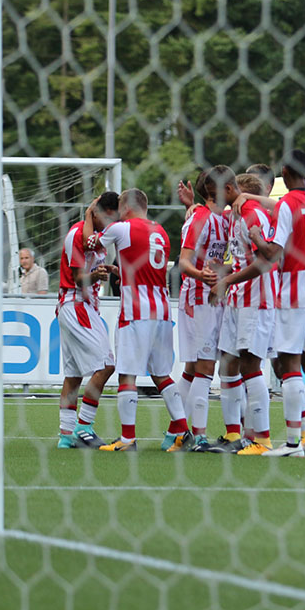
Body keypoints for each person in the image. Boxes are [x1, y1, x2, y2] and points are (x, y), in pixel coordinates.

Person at [216, 149, 305, 457]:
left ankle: (292, 444)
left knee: (288, 365)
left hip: (294, 292)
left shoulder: (288, 205)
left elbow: (272, 253)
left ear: (285, 173)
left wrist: (256, 237)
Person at [86, 188, 191, 452]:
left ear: (127, 207)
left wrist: (89, 214)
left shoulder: (122, 228)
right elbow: (144, 265)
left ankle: (127, 438)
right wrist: (119, 269)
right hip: (162, 308)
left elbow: (90, 242)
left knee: (127, 374)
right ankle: (182, 429)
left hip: (135, 309)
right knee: (161, 374)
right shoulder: (160, 231)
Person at [209, 172, 280, 455]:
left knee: (252, 366)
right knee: (227, 364)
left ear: (229, 189)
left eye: (217, 194)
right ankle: (233, 434)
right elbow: (241, 259)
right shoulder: (235, 214)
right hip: (237, 299)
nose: (216, 200)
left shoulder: (252, 214)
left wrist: (226, 280)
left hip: (257, 300)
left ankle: (262, 440)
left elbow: (265, 262)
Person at [55, 192, 119, 449]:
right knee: (106, 364)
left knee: (73, 375)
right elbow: (79, 278)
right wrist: (95, 276)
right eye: (108, 218)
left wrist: (107, 271)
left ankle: (65, 434)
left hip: (81, 305)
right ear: (97, 213)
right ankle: (84, 426)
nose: (111, 225)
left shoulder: (96, 237)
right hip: (76, 303)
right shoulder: (76, 236)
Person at [176, 166, 231, 452]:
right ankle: (196, 436)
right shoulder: (200, 218)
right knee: (205, 367)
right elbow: (183, 261)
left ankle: (177, 431)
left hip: (214, 296)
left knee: (195, 367)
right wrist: (202, 275)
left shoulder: (221, 217)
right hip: (198, 297)